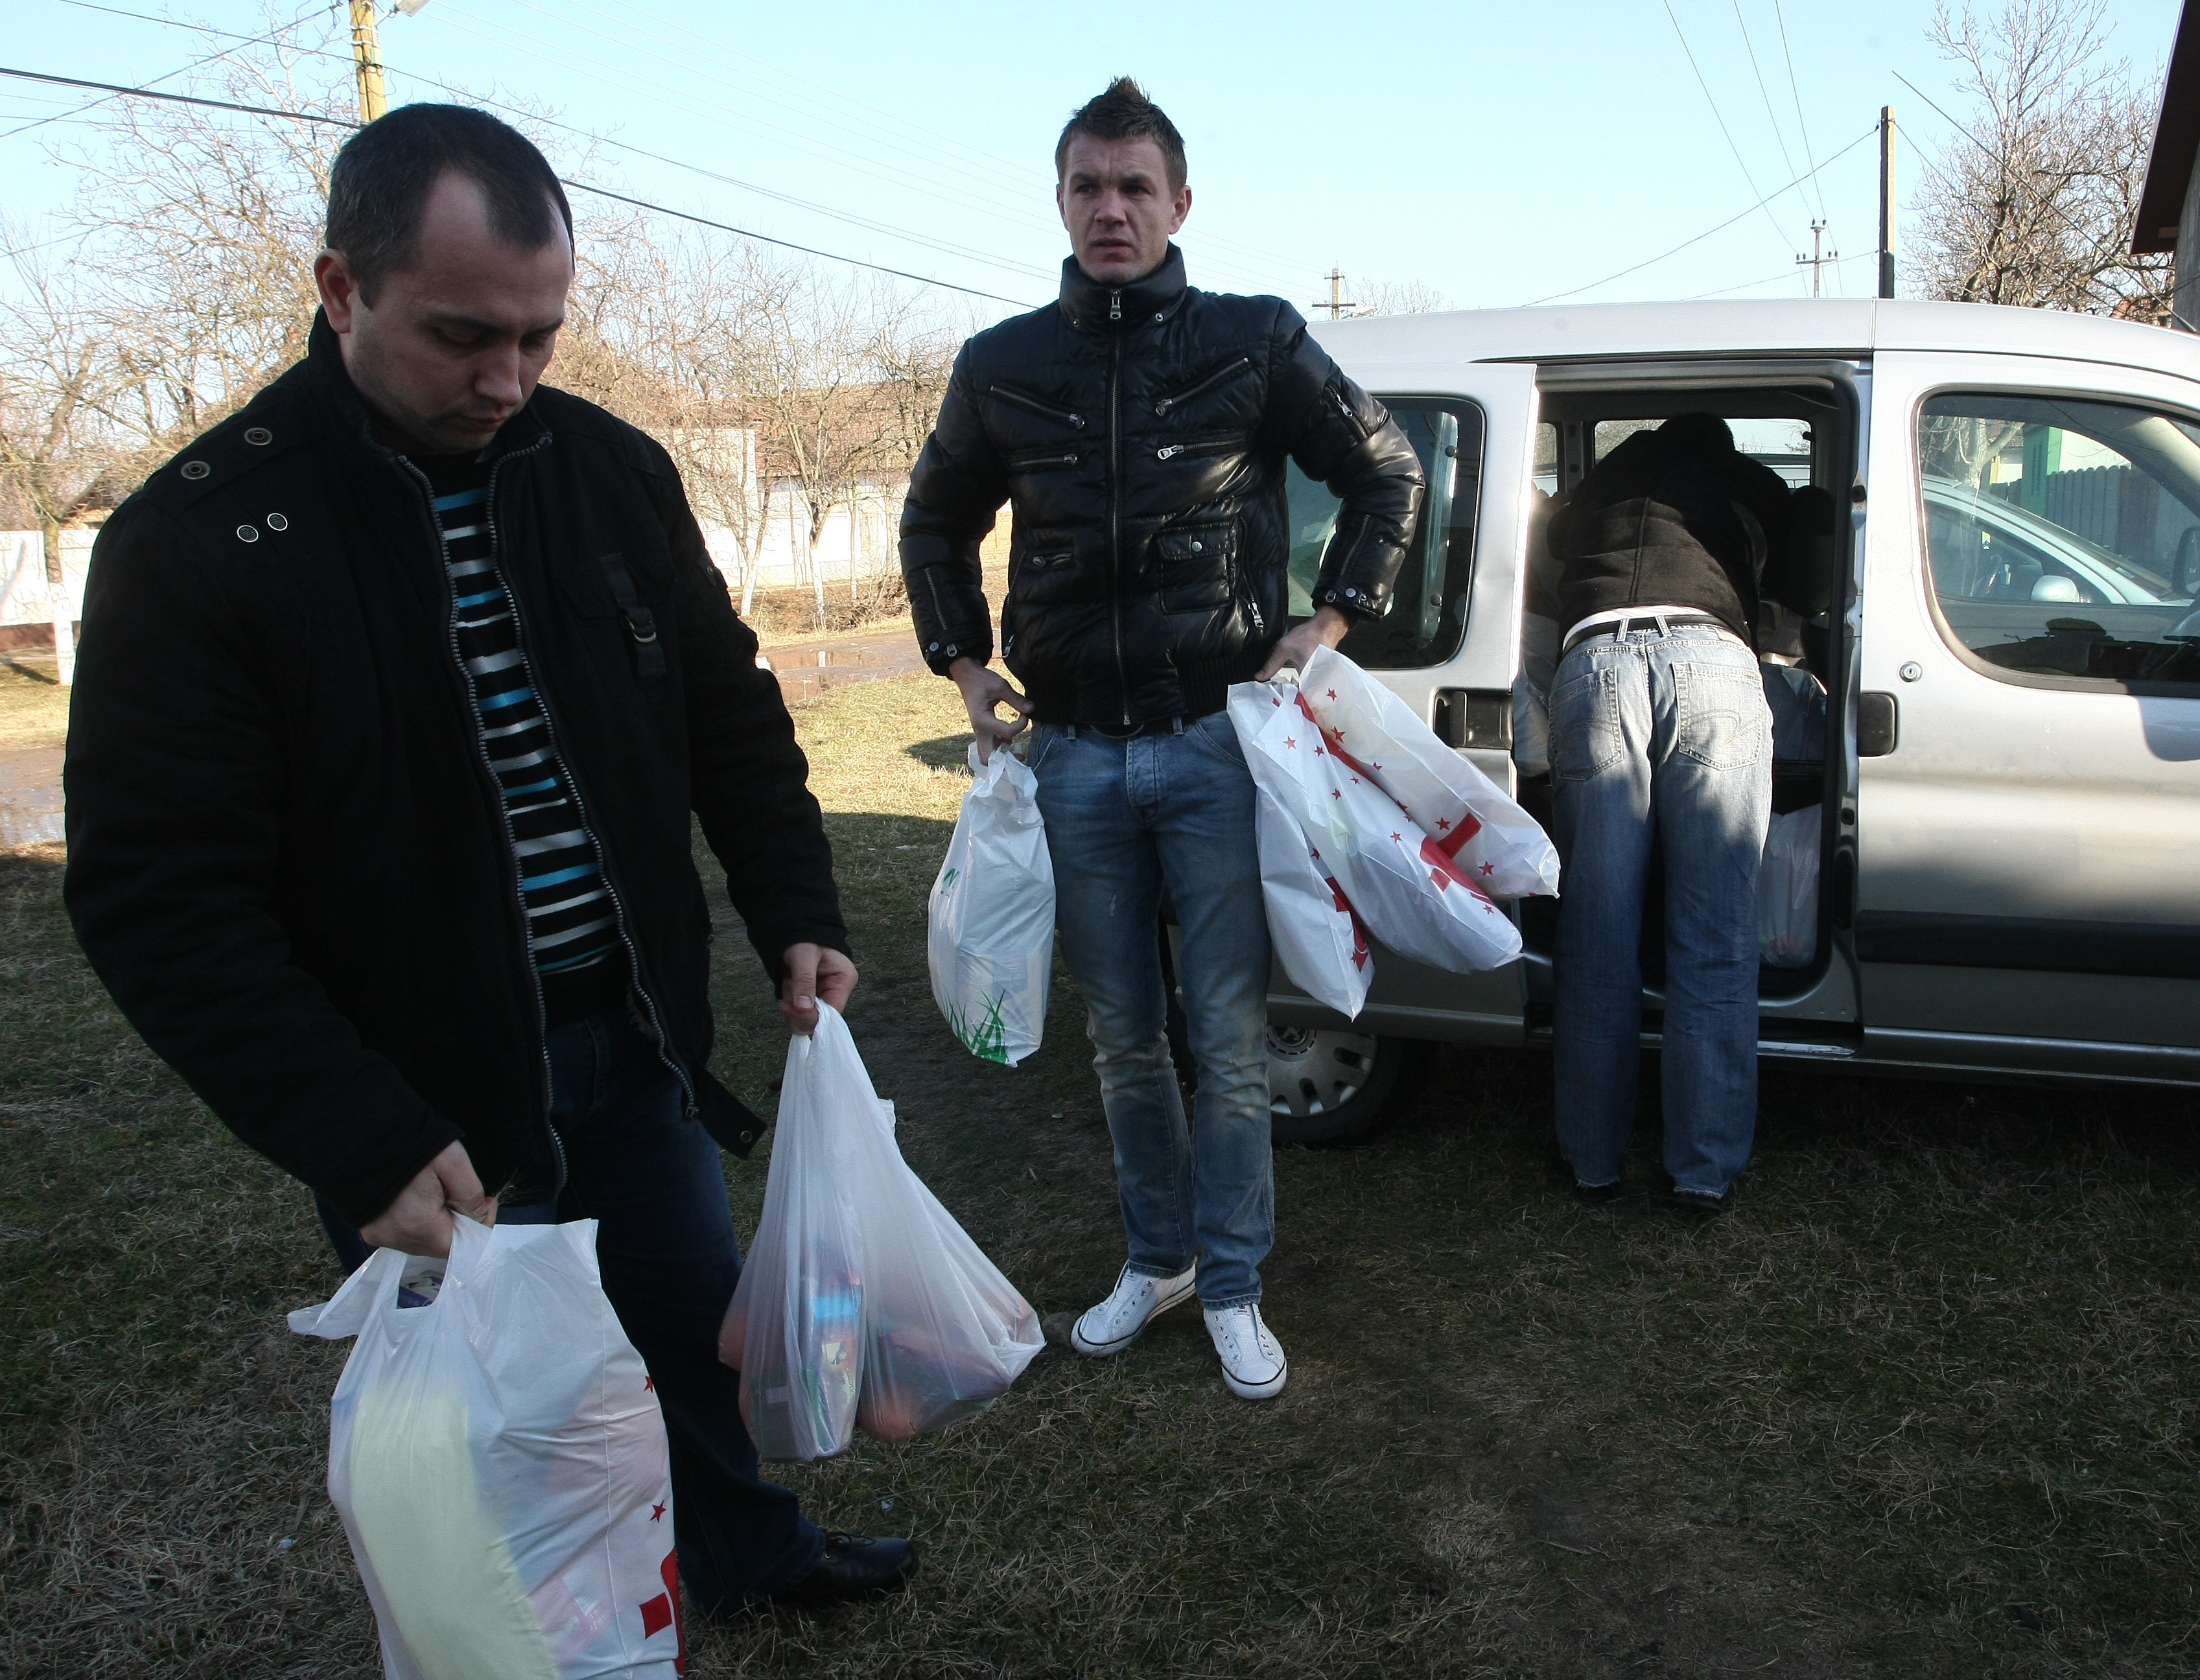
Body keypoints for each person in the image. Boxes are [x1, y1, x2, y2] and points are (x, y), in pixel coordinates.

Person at [62, 104, 913, 1613]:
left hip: (630, 1040)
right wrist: (352, 1129)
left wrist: (793, 903)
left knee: (687, 1330)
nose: (506, 380)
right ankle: (557, 1632)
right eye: (464, 337)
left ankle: (739, 1551)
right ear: (341, 290)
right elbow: (161, 896)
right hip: (424, 1094)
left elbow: (726, 711)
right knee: (514, 1422)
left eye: (541, 336)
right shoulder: (200, 542)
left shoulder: (608, 472)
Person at [898, 78, 1423, 1401]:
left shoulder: (1251, 341)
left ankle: (1236, 1282)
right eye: (1089, 186)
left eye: (1137, 187)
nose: (1113, 209)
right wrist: (963, 660)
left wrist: (1334, 619)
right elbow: (933, 520)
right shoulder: (1004, 364)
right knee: (1126, 1037)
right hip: (1071, 756)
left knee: (1228, 1034)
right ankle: (1160, 1257)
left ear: (1181, 202)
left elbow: (1386, 469)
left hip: (1210, 750)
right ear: (1061, 200)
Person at [1544, 414, 1791, 1215]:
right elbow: (1809, 541)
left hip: (1594, 657)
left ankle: (1591, 1163)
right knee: (1715, 935)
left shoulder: (1601, 486)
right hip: (1713, 657)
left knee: (1597, 931)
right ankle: (1702, 1171)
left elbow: (1550, 543)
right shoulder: (1738, 478)